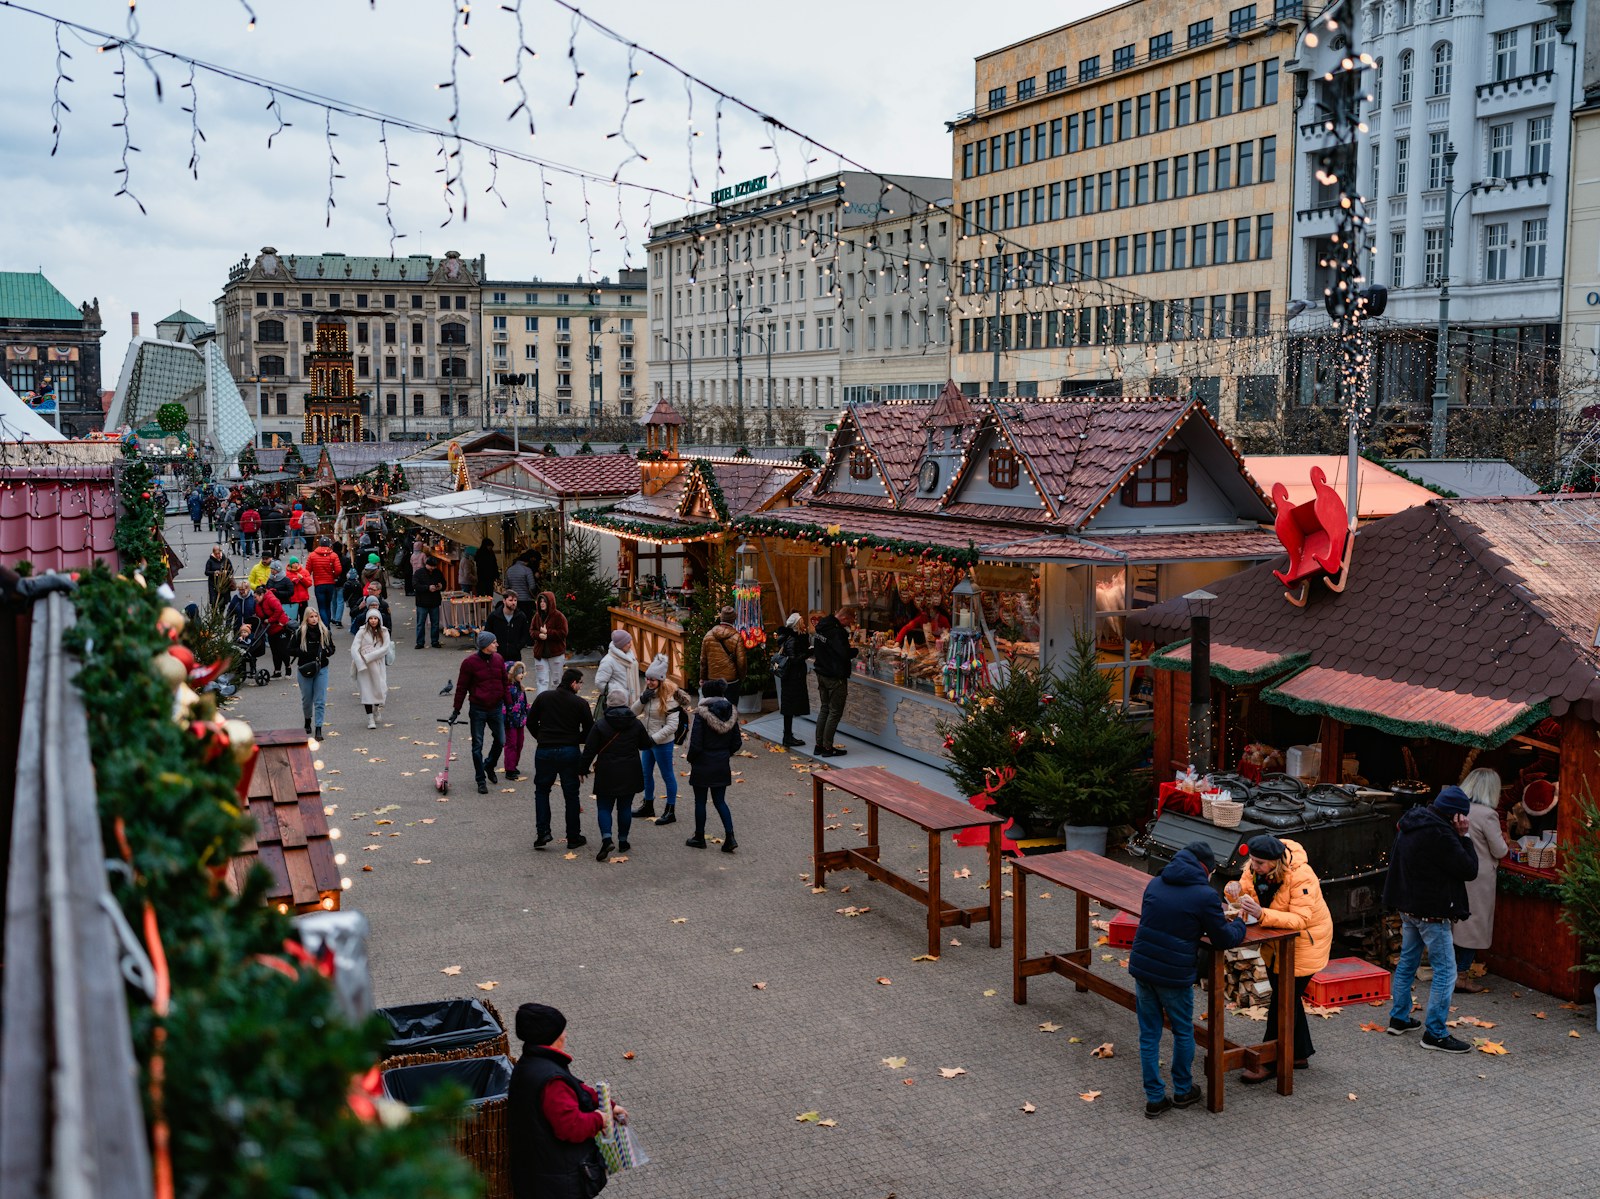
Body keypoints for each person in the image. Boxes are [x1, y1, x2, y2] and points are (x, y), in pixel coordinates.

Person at [1128, 841, 1247, 1118]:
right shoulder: (1204, 895)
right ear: (1205, 868)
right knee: (1183, 1031)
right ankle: (1182, 1090)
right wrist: (1240, 922)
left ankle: (1155, 1098)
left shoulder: (1156, 883)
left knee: (1149, 1034)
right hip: (1173, 974)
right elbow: (1222, 939)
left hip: (1143, 968)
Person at [1384, 784, 1480, 1053]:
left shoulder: (1412, 822)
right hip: (1433, 913)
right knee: (1446, 972)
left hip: (1408, 907)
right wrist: (1465, 836)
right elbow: (1469, 869)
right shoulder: (1443, 835)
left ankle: (1399, 1018)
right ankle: (1435, 1033)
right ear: (1456, 816)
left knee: (1406, 963)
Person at [1236, 833, 1333, 1082]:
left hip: (1304, 946)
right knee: (1288, 998)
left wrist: (1262, 913)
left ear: (1275, 863)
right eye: (1252, 862)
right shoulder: (1253, 869)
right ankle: (1299, 1053)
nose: (1253, 868)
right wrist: (1235, 897)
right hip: (1276, 944)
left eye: (1259, 864)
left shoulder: (1302, 876)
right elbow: (1245, 893)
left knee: (1283, 1001)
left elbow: (1301, 920)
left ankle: (1269, 1061)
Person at [506, 1002, 620, 1199]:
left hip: (535, 1171)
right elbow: (571, 1126)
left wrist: (609, 1106)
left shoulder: (532, 1063)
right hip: (556, 1181)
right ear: (552, 1037)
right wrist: (600, 1119)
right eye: (562, 1030)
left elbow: (575, 1087)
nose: (565, 1034)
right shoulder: (551, 1080)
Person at [580, 687, 655, 861]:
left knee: (604, 807)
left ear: (608, 704)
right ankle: (623, 840)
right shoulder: (635, 723)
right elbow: (645, 745)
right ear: (626, 703)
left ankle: (607, 838)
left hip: (607, 771)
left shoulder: (600, 724)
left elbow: (589, 750)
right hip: (630, 771)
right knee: (624, 807)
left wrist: (582, 769)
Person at [1452, 767, 1509, 994]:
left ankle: (1451, 972)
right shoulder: (1487, 814)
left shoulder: (1458, 809)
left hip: (1458, 871)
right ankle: (1462, 975)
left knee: (1457, 925)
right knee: (1473, 927)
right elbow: (1500, 850)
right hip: (1479, 878)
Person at [530, 667, 594, 850]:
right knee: (571, 795)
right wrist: (575, 739)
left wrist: (541, 736)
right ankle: (573, 836)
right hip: (569, 751)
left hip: (544, 751)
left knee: (542, 792)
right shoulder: (580, 703)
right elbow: (589, 730)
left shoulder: (544, 698)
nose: (581, 687)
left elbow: (531, 721)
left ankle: (543, 832)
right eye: (580, 683)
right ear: (573, 683)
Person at [685, 679, 742, 853]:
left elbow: (696, 743)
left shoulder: (701, 714)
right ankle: (730, 836)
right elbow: (737, 742)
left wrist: (691, 759)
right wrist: (725, 753)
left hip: (703, 762)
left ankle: (699, 837)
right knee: (720, 801)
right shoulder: (731, 712)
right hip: (721, 762)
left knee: (700, 801)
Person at [632, 656, 690, 823]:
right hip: (648, 741)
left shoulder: (670, 698)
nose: (649, 682)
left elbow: (672, 726)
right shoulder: (648, 694)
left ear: (661, 680)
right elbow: (632, 713)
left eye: (653, 679)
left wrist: (654, 740)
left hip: (662, 743)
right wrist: (642, 699)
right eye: (648, 678)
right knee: (645, 774)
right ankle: (648, 805)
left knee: (667, 775)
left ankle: (670, 810)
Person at [452, 631, 508, 795]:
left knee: (501, 740)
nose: (497, 645)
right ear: (485, 646)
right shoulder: (469, 663)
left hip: (496, 707)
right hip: (478, 709)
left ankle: (489, 765)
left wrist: (509, 705)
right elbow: (461, 688)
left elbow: (504, 682)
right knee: (477, 746)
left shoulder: (498, 659)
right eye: (494, 642)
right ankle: (480, 779)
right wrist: (456, 710)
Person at [810, 605, 859, 757]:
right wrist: (855, 651)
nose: (849, 625)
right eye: (849, 622)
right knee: (835, 712)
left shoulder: (822, 626)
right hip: (835, 676)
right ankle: (827, 748)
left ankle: (819, 745)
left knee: (825, 708)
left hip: (821, 672)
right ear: (844, 618)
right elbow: (844, 653)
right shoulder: (837, 632)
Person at [291, 608, 335, 738]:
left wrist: (327, 652)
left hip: (321, 668)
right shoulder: (300, 632)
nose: (314, 619)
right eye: (311, 616)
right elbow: (290, 649)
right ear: (306, 618)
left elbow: (332, 648)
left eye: (316, 616)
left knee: (320, 700)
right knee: (307, 699)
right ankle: (307, 721)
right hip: (304, 668)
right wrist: (304, 652)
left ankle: (319, 728)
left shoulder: (324, 631)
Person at [349, 606, 391, 730]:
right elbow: (354, 648)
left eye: (375, 618)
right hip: (364, 666)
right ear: (367, 620)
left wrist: (370, 656)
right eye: (371, 618)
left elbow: (385, 648)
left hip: (377, 664)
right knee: (366, 691)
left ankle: (376, 708)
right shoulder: (361, 631)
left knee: (379, 688)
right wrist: (360, 662)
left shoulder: (384, 632)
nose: (373, 621)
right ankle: (370, 718)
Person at [775, 611, 812, 748]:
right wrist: (808, 652)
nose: (804, 625)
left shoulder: (790, 638)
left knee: (789, 706)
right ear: (797, 625)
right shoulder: (793, 639)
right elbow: (794, 659)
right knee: (789, 707)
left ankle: (788, 735)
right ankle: (788, 736)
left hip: (791, 676)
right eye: (802, 623)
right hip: (792, 677)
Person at [699, 605, 747, 699]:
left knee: (713, 708)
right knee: (731, 708)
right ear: (733, 620)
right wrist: (741, 677)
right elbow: (742, 662)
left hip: (712, 679)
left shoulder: (708, 635)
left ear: (721, 617)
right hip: (731, 680)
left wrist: (703, 678)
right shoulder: (737, 637)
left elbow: (703, 661)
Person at [530, 591, 569, 695]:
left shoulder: (559, 616)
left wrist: (549, 633)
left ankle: (557, 703)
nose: (542, 603)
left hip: (556, 653)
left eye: (544, 601)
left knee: (556, 681)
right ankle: (542, 705)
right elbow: (532, 631)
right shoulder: (537, 616)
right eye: (540, 601)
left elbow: (563, 632)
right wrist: (539, 635)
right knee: (542, 681)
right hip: (540, 654)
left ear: (550, 602)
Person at [594, 628, 640, 710]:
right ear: (621, 645)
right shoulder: (608, 661)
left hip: (630, 701)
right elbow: (600, 682)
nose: (630, 645)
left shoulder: (630, 656)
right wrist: (615, 693)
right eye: (628, 642)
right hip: (616, 704)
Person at [256, 583, 292, 677]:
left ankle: (288, 667)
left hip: (281, 627)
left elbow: (279, 610)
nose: (255, 599)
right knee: (274, 651)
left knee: (282, 649)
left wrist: (270, 620)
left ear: (261, 595)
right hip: (270, 629)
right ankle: (277, 671)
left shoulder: (271, 599)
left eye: (256, 597)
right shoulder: (258, 604)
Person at [503, 661, 531, 782]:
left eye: (522, 672)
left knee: (520, 742)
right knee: (512, 744)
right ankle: (509, 769)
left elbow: (524, 702)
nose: (522, 675)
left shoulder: (520, 687)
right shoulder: (507, 688)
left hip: (520, 719)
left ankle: (514, 764)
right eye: (519, 673)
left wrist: (529, 713)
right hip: (510, 721)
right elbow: (503, 706)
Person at [486, 589, 531, 663]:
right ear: (504, 600)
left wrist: (518, 646)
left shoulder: (521, 617)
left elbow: (525, 634)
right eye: (510, 600)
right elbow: (487, 633)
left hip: (515, 656)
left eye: (515, 600)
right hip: (497, 656)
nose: (513, 603)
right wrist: (493, 647)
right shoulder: (494, 616)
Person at [413, 555, 447, 649]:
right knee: (421, 623)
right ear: (426, 565)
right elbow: (415, 585)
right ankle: (420, 642)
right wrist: (427, 588)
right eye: (430, 566)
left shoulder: (438, 573)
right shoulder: (419, 573)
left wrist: (441, 587)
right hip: (422, 602)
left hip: (434, 601)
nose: (432, 568)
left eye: (434, 566)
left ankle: (435, 641)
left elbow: (444, 583)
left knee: (435, 623)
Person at [307, 536, 342, 625]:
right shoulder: (333, 555)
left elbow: (307, 570)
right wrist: (333, 575)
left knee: (321, 607)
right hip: (330, 583)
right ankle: (327, 625)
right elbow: (338, 570)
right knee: (327, 606)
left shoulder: (312, 555)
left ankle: (325, 626)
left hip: (319, 584)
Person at [284, 556, 313, 623]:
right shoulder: (286, 574)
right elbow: (285, 586)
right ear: (291, 564)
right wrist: (292, 582)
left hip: (303, 599)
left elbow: (309, 584)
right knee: (293, 619)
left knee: (304, 619)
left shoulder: (304, 572)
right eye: (294, 563)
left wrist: (302, 579)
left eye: (297, 562)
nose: (296, 564)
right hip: (293, 600)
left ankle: (303, 631)